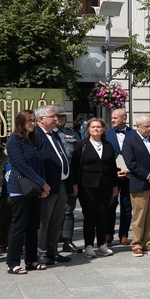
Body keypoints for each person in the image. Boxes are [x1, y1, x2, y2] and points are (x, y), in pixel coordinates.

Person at [5, 110, 50, 274]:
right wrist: (42, 183)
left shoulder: (31, 140)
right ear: (21, 123)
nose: (32, 123)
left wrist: (43, 185)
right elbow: (22, 166)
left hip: (34, 188)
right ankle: (13, 263)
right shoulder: (13, 140)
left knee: (33, 226)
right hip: (20, 189)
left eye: (33, 120)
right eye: (29, 120)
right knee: (19, 226)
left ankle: (31, 260)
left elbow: (39, 164)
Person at [71, 118, 118, 258]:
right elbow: (75, 166)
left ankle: (102, 244)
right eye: (93, 127)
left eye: (99, 127)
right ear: (88, 130)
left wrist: (115, 185)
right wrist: (74, 185)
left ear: (103, 129)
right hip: (87, 186)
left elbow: (112, 167)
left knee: (103, 215)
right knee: (90, 216)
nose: (96, 129)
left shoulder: (108, 145)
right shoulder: (82, 145)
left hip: (105, 185)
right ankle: (89, 246)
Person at [122, 114, 150, 257]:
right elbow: (131, 163)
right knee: (139, 216)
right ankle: (137, 244)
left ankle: (149, 243)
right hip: (140, 183)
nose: (149, 129)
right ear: (138, 126)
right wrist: (148, 176)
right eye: (146, 126)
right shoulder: (130, 141)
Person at [33, 104, 73, 264]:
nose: (56, 119)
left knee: (56, 220)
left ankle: (52, 251)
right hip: (46, 185)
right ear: (41, 119)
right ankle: (40, 252)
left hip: (60, 183)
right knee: (43, 221)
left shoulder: (54, 134)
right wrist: (41, 184)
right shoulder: (35, 135)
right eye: (53, 117)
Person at [106, 108, 134, 246]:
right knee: (110, 204)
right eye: (112, 117)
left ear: (124, 118)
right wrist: (113, 171)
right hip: (113, 176)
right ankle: (108, 233)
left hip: (129, 176)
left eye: (115, 118)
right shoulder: (107, 134)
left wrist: (128, 170)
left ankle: (124, 234)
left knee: (126, 205)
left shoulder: (134, 134)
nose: (112, 120)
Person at [55, 109, 82, 254]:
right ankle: (51, 244)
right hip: (54, 175)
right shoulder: (46, 134)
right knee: (52, 211)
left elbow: (79, 154)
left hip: (70, 174)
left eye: (63, 116)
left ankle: (67, 241)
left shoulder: (72, 134)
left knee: (68, 210)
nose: (61, 118)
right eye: (58, 116)